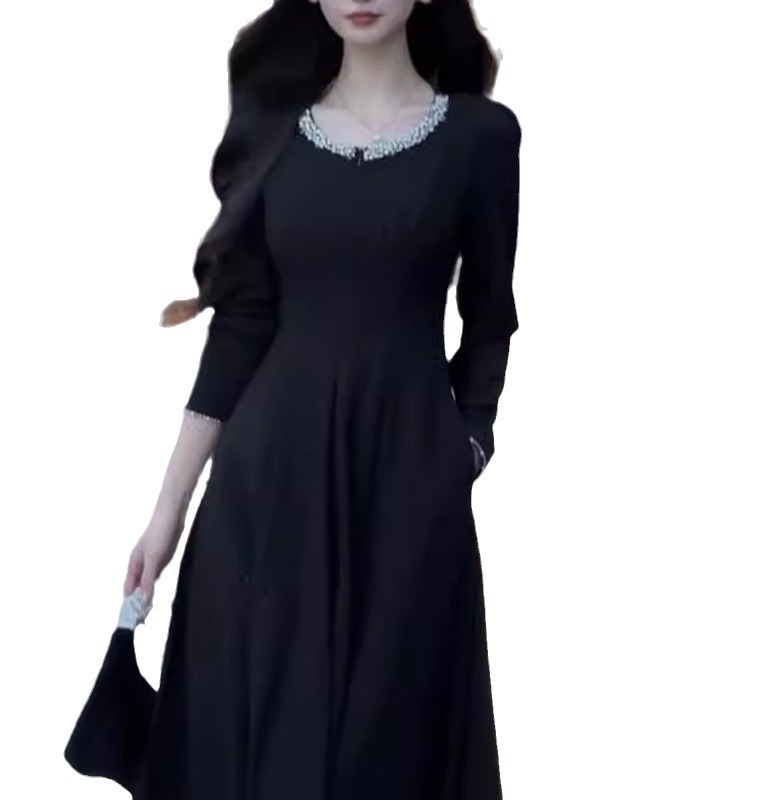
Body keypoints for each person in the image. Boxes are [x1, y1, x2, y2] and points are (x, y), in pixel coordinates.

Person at [123, 1, 522, 797]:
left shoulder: (482, 137)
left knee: (389, 753)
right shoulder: (274, 129)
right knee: (267, 745)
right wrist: (167, 512)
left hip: (408, 490)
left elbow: (489, 319)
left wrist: (467, 444)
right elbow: (240, 328)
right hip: (265, 492)